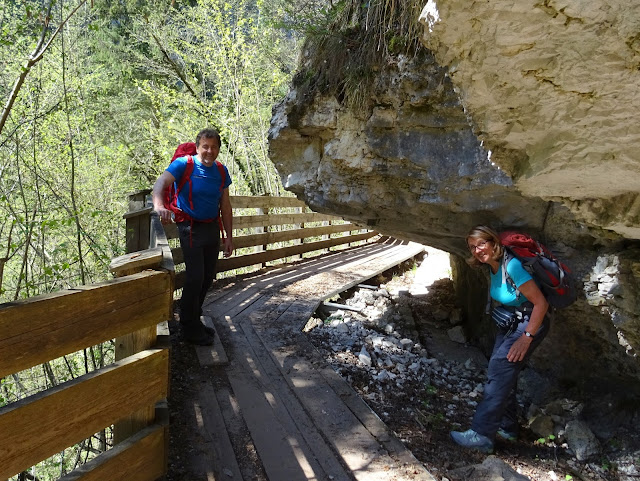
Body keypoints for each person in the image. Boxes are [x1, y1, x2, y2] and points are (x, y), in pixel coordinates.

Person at [450, 225, 551, 453]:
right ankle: (508, 427)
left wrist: (526, 338)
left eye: (481, 244)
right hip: (512, 322)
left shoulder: (512, 265)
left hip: (528, 324)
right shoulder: (493, 267)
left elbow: (541, 303)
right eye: (472, 247)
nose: (477, 250)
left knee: (498, 370)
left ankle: (481, 435)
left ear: (493, 243)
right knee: (502, 372)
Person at [152, 128, 234, 345]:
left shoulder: (221, 171)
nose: (209, 151)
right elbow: (160, 184)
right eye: (205, 146)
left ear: (218, 149)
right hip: (190, 227)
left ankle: (194, 319)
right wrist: (159, 206)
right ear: (197, 147)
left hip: (212, 227)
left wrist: (229, 237)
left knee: (207, 277)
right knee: (195, 277)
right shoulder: (184, 165)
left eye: (214, 147)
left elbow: (225, 206)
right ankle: (188, 327)